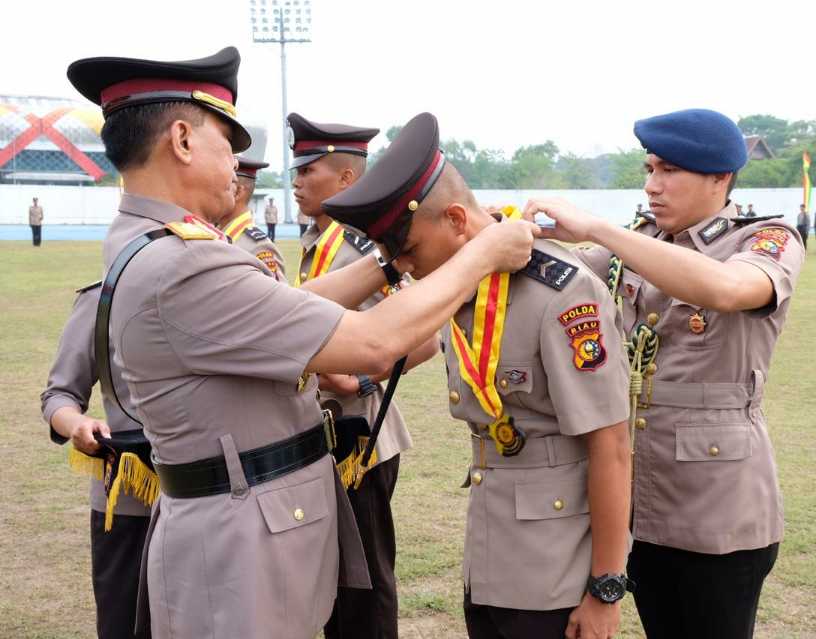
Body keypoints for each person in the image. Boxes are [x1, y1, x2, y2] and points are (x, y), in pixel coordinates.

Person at [66, 47, 537, 639]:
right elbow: (373, 343)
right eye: (226, 141)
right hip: (241, 556)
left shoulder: (156, 245)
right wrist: (483, 253)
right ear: (183, 140)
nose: (236, 161)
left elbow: (300, 307)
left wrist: (389, 261)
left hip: (239, 538)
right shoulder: (182, 264)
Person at [324, 112, 633, 639]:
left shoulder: (561, 292)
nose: (408, 269)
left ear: (456, 220)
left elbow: (612, 444)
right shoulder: (462, 286)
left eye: (411, 252)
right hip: (492, 551)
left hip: (555, 565)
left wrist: (606, 585)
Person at [524, 108, 804, 639]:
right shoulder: (641, 238)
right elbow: (570, 269)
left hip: (716, 510)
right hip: (638, 502)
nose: (653, 185)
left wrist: (599, 227)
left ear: (720, 177)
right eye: (649, 169)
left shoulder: (765, 239)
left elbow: (727, 290)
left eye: (670, 171)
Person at [287, 111, 434, 639]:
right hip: (323, 435)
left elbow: (426, 340)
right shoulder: (315, 242)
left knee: (365, 583)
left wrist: (364, 380)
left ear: (347, 179)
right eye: (297, 171)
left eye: (309, 172)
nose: (297, 181)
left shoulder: (362, 250)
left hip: (363, 441)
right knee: (334, 581)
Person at [41, 283, 152, 639]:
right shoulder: (102, 300)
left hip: (217, 504)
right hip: (130, 502)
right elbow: (59, 394)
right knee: (125, 625)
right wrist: (77, 424)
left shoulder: (220, 290)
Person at [219, 126, 285, 279]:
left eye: (223, 183)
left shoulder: (257, 247)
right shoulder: (222, 235)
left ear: (238, 192)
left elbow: (273, 301)